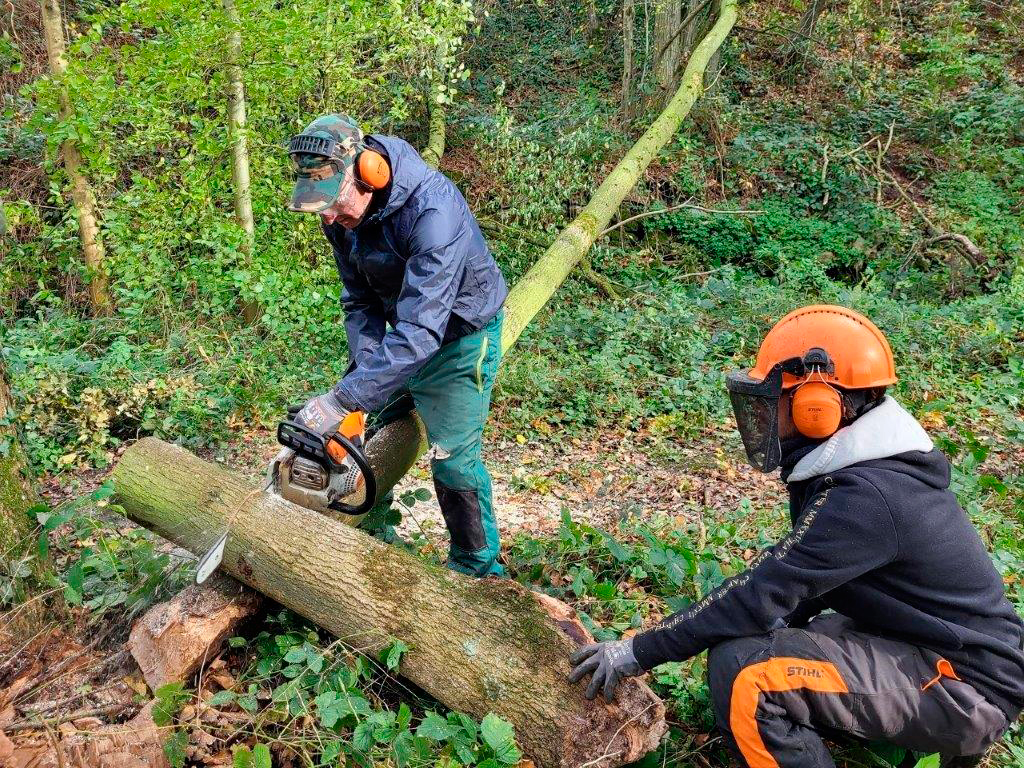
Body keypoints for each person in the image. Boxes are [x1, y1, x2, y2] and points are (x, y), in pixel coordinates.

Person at [568, 305, 1024, 768]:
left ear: (818, 407)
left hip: (965, 686)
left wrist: (637, 651)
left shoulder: (870, 494)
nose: (767, 417)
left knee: (747, 672)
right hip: (925, 650)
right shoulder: (862, 468)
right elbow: (795, 592)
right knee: (790, 637)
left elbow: (767, 588)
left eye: (776, 401)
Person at [285, 114, 508, 577]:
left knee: (453, 459)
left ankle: (478, 570)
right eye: (321, 207)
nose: (328, 217)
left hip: (459, 335)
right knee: (355, 419)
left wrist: (345, 396)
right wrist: (357, 391)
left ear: (371, 173)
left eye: (334, 204)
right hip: (406, 331)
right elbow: (359, 299)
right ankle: (341, 518)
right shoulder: (338, 214)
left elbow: (424, 332)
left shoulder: (433, 212)